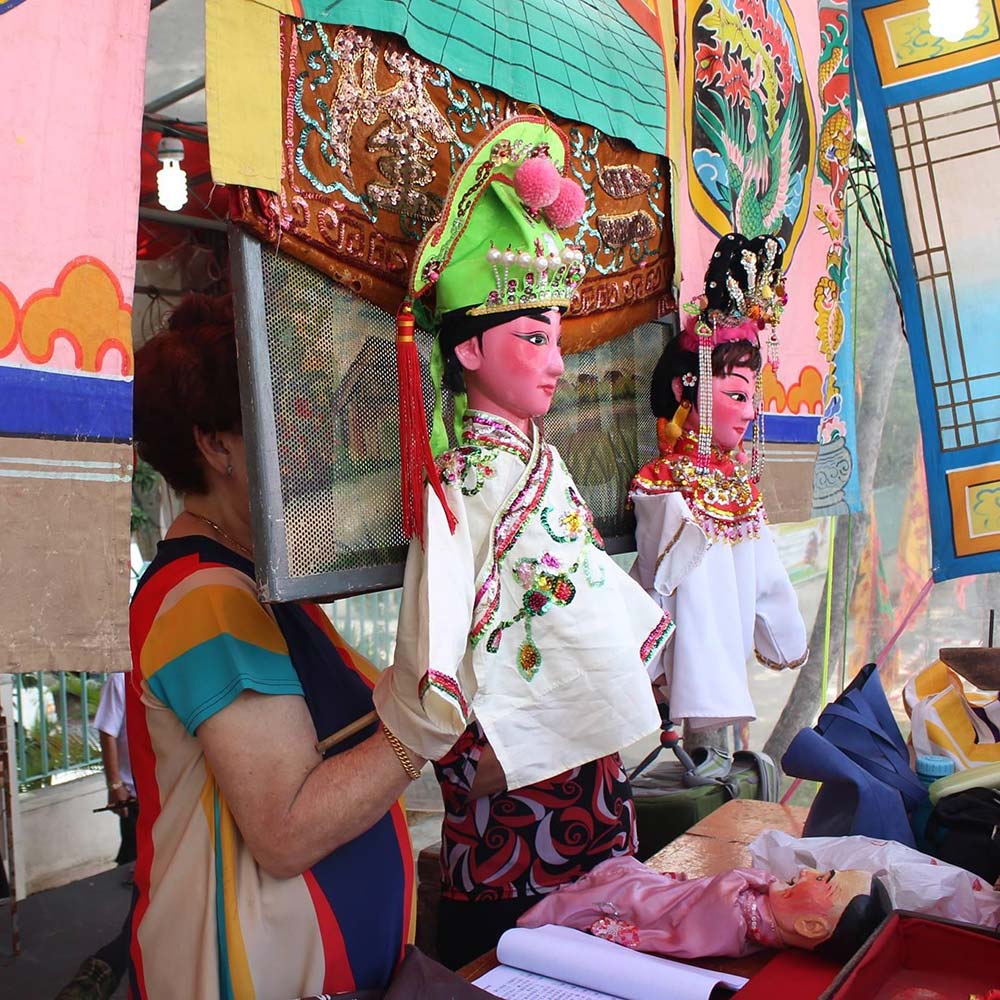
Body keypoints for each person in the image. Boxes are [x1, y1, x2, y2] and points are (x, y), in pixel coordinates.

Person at [371, 115, 673, 968]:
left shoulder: (532, 462)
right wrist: (485, 763)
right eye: (530, 337)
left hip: (587, 783)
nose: (553, 362)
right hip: (513, 806)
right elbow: (439, 644)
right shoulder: (466, 481)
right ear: (467, 345)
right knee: (529, 966)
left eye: (554, 337)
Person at [125, 294, 429, 999]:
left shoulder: (251, 580)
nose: (310, 441)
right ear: (217, 445)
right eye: (285, 416)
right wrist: (422, 728)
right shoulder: (206, 599)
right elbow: (286, 830)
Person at [630, 232, 808, 732]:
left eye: (751, 397)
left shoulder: (737, 484)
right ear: (684, 388)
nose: (749, 413)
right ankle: (697, 692)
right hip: (680, 665)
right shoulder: (661, 483)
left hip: (725, 661)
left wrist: (782, 634)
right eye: (735, 394)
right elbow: (662, 580)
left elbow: (767, 575)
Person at [518, 856, 891, 962]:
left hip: (657, 912)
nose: (809, 871)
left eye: (823, 880)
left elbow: (691, 933)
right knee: (629, 877)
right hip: (673, 896)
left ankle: (528, 932)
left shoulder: (733, 922)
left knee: (616, 895)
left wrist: (737, 881)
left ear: (811, 927)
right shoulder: (761, 916)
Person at [54, 674, 138, 1000]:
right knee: (143, 880)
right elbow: (107, 729)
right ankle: (108, 964)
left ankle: (108, 964)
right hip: (134, 795)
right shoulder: (120, 679)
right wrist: (115, 784)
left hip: (165, 797)